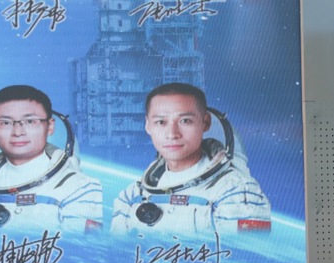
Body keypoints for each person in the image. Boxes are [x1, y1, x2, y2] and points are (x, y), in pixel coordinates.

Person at [111, 82, 271, 237]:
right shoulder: (132, 196)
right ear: (148, 126)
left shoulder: (236, 192)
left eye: (185, 121)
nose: (172, 134)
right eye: (161, 122)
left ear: (206, 122)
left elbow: (248, 252)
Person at [0, 85, 102, 236]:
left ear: (49, 126)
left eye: (30, 121)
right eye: (6, 123)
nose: (18, 132)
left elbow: (78, 249)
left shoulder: (79, 188)